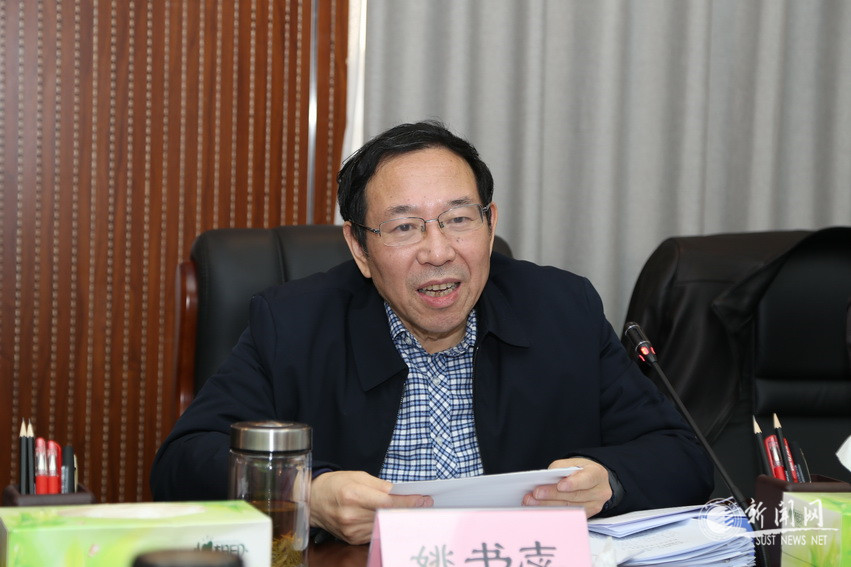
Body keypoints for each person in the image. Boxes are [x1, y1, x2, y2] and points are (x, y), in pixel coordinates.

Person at [151, 120, 713, 544]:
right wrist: (307, 494)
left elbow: (682, 456)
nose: (438, 252)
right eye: (405, 227)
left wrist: (610, 481)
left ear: (491, 225)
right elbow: (182, 463)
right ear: (359, 248)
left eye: (459, 219)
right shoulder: (294, 323)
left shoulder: (562, 310)